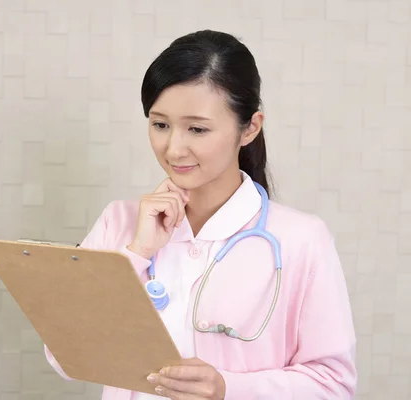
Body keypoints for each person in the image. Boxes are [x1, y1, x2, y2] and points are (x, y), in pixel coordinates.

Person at [44, 29, 357, 400]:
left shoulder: (300, 239)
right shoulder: (119, 223)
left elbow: (333, 385)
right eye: (160, 125)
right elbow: (64, 357)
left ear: (250, 128)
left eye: (197, 128)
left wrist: (229, 388)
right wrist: (136, 253)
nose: (174, 148)